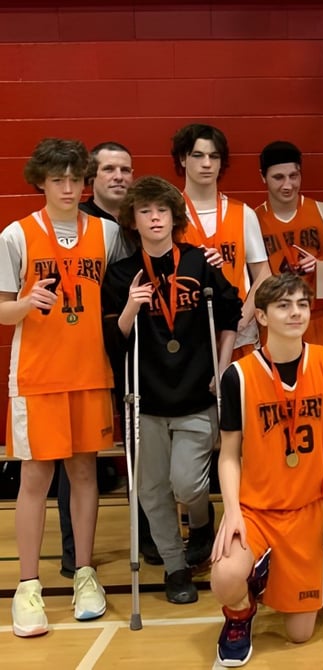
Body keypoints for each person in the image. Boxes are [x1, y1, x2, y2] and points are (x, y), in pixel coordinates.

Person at [0, 138, 129, 636]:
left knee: (84, 473)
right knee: (34, 478)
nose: (70, 188)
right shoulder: (17, 235)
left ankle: (84, 574)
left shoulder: (108, 233)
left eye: (77, 179)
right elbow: (3, 310)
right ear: (42, 181)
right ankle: (27, 587)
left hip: (91, 372)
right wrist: (28, 302)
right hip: (38, 375)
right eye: (60, 179)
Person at [102, 176, 241, 602]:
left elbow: (231, 312)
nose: (155, 217)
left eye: (161, 210)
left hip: (197, 394)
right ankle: (175, 568)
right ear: (133, 221)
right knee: (152, 491)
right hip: (144, 398)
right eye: (145, 211)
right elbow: (112, 340)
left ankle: (201, 518)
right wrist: (130, 306)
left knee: (187, 485)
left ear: (174, 217)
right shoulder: (122, 273)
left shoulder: (200, 261)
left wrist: (222, 368)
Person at [210, 273, 323, 666]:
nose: (296, 313)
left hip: (307, 510)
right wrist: (233, 513)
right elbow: (228, 455)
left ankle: (263, 576)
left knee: (301, 634)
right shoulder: (238, 375)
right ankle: (240, 612)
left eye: (302, 304)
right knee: (223, 578)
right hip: (256, 510)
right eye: (284, 306)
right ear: (262, 316)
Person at [57, 140, 139, 577]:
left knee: (139, 449)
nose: (119, 176)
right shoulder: (79, 223)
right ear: (92, 178)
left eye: (125, 169)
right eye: (109, 169)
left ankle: (147, 538)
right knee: (75, 456)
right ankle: (75, 553)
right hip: (81, 351)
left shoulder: (139, 217)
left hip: (128, 349)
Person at [171, 123, 271, 358]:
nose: (206, 163)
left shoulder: (243, 213)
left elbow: (263, 276)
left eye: (214, 156)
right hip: (187, 338)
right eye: (198, 155)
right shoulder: (168, 214)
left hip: (240, 338)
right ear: (183, 159)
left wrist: (238, 322)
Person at [255, 141, 323, 345]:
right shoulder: (253, 220)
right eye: (278, 177)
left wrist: (322, 267)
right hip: (276, 322)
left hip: (320, 319)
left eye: (294, 176)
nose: (288, 185)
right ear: (262, 176)